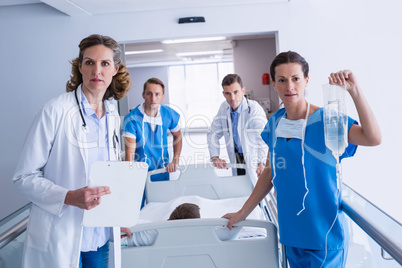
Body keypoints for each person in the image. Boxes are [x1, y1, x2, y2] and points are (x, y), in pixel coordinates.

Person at [223, 51, 381, 268]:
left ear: (306, 81)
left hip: (324, 235)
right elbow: (270, 171)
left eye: (296, 79)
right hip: (291, 235)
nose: (289, 86)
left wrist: (355, 92)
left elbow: (372, 138)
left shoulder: (328, 120)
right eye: (282, 80)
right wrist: (243, 212)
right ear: (274, 84)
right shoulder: (275, 123)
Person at [12, 34, 131, 268]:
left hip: (99, 238)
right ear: (80, 67)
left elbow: (109, 174)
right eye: (89, 62)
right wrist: (68, 197)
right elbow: (23, 177)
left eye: (105, 63)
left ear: (115, 69)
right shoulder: (55, 111)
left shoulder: (112, 113)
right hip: (62, 236)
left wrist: (118, 218)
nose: (97, 70)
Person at [121, 78, 182, 204]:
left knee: (161, 207)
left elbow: (178, 136)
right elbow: (130, 152)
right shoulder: (132, 119)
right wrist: (129, 176)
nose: (153, 98)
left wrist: (175, 160)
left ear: (163, 96)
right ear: (143, 95)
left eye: (157, 94)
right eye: (149, 93)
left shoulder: (168, 114)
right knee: (136, 207)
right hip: (138, 172)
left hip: (162, 170)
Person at [207, 74, 268, 180]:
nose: (232, 98)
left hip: (254, 156)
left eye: (236, 92)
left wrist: (261, 161)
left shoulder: (254, 109)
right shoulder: (224, 108)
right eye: (228, 93)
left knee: (256, 188)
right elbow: (213, 132)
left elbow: (263, 137)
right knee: (240, 187)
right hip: (236, 156)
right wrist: (215, 156)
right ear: (223, 94)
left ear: (243, 91)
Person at [121, 203, 241, 247]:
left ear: (170, 218)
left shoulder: (149, 230)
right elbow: (230, 233)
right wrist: (230, 223)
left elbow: (126, 229)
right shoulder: (208, 235)